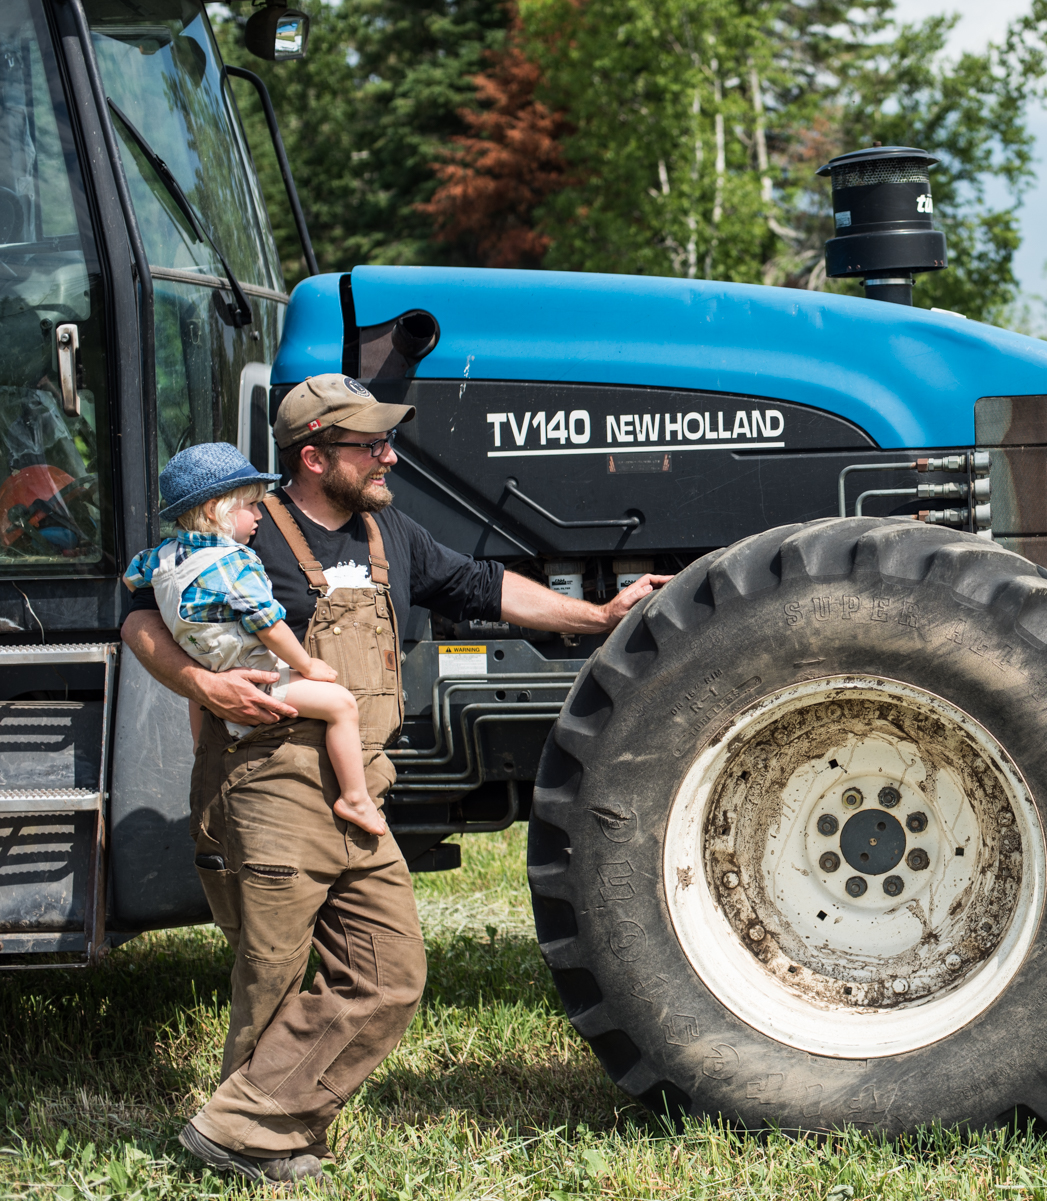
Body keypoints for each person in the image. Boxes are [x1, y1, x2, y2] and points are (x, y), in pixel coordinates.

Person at [120, 374, 671, 1184]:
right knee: (273, 970)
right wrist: (197, 684)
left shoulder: (389, 533)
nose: (389, 456)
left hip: (357, 783)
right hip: (268, 779)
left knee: (389, 970)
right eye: (369, 445)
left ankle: (242, 1123)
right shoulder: (246, 533)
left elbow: (484, 587)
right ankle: (257, 1139)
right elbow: (135, 613)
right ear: (313, 457)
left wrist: (595, 618)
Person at [123, 443, 388, 839]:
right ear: (217, 511)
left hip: (209, 669)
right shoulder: (235, 563)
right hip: (253, 674)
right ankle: (355, 797)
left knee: (198, 696)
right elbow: (268, 626)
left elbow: (134, 581)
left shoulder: (160, 556)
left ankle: (203, 753)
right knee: (341, 705)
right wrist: (307, 666)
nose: (260, 515)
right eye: (251, 506)